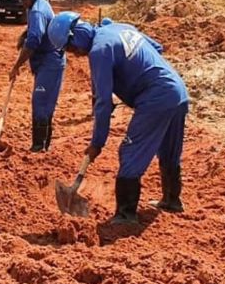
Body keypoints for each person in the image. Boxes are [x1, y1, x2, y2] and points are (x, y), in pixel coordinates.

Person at [47, 12, 189, 224]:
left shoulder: (99, 51)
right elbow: (156, 48)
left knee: (130, 151)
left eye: (71, 48)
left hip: (156, 97)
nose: (75, 54)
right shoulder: (119, 28)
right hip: (177, 90)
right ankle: (172, 200)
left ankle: (125, 215)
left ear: (74, 36)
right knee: (169, 148)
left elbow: (103, 103)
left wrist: (97, 143)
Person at [9, 0, 66, 152]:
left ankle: (38, 147)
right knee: (43, 102)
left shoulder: (37, 11)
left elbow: (34, 41)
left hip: (50, 61)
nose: (22, 1)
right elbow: (36, 32)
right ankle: (42, 146)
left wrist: (16, 66)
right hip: (46, 62)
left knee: (41, 102)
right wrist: (24, 35)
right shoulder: (36, 5)